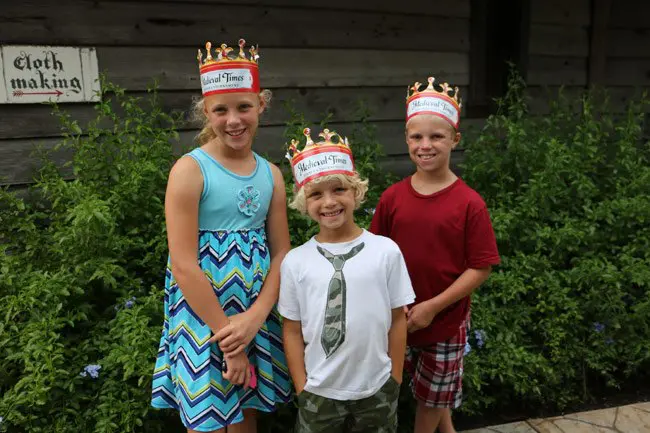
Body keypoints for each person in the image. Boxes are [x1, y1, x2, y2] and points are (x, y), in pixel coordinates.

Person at [151, 39, 291, 433]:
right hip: (203, 317)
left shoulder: (271, 175)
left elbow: (282, 253)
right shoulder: (190, 170)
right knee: (207, 413)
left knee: (245, 407)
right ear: (206, 112)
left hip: (252, 310)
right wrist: (229, 336)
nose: (234, 120)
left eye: (244, 107)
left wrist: (255, 318)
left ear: (260, 105)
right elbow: (183, 262)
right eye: (221, 110)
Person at [369, 77, 501, 433]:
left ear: (455, 140)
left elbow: (481, 267)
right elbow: (374, 253)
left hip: (444, 321)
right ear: (407, 139)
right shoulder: (392, 198)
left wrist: (432, 306)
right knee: (427, 389)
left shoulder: (469, 203)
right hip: (398, 317)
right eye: (416, 137)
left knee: (432, 399)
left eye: (436, 137)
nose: (425, 145)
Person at [278, 128, 416, 433]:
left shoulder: (385, 251)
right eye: (316, 194)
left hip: (377, 386)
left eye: (338, 189)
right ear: (304, 202)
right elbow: (291, 329)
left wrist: (394, 377)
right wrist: (302, 386)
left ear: (355, 191)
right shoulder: (295, 262)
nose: (328, 202)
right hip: (319, 390)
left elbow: (397, 319)